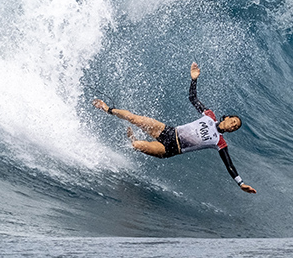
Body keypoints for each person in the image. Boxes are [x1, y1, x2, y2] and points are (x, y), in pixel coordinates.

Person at [93, 62, 256, 194]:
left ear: (231, 131)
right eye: (233, 121)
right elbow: (192, 98)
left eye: (235, 127)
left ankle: (134, 139)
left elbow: (229, 164)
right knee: (133, 117)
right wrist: (194, 79)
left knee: (137, 146)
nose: (233, 125)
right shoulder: (210, 116)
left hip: (170, 149)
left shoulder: (220, 142)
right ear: (226, 118)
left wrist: (240, 183)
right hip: (167, 131)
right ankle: (107, 109)